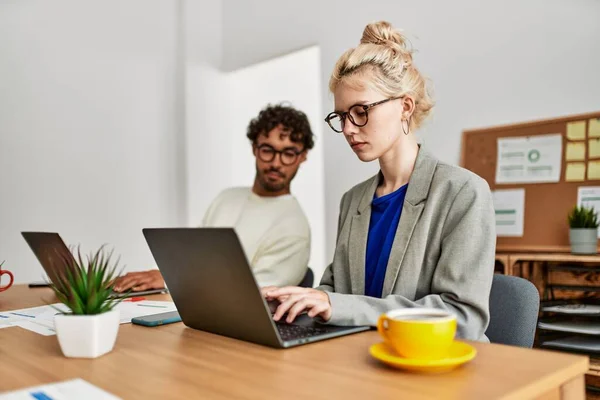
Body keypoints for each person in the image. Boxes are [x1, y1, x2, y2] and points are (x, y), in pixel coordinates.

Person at [262, 21, 495, 341]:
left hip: (433, 367)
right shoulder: (353, 200)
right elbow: (338, 289)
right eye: (341, 116)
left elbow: (463, 318)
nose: (347, 129)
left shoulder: (462, 192)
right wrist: (298, 300)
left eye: (360, 111)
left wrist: (337, 304)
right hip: (362, 359)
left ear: (405, 107)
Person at [113, 104, 315, 292]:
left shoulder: (294, 228)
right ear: (255, 148)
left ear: (303, 156)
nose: (276, 163)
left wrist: (169, 279)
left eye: (288, 153)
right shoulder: (227, 198)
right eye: (267, 150)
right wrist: (165, 276)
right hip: (187, 305)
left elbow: (248, 296)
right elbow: (196, 262)